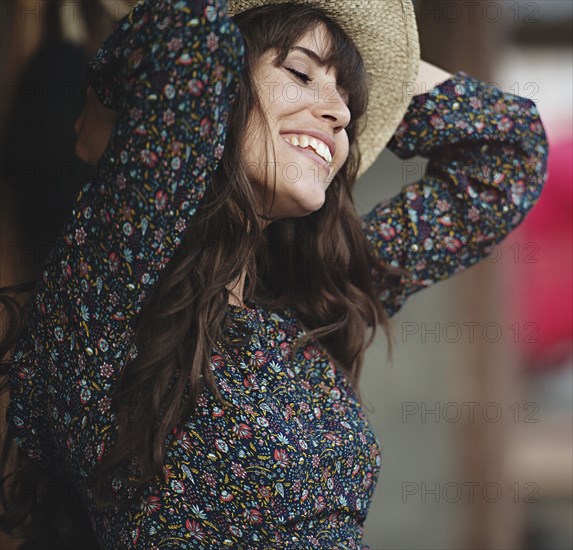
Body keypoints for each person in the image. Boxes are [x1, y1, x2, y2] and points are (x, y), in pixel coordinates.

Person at [0, 0, 549, 548]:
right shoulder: (112, 289)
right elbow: (197, 38)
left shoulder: (309, 301)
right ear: (223, 92)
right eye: (299, 72)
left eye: (349, 104)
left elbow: (508, 155)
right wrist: (110, 98)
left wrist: (380, 77)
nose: (338, 112)